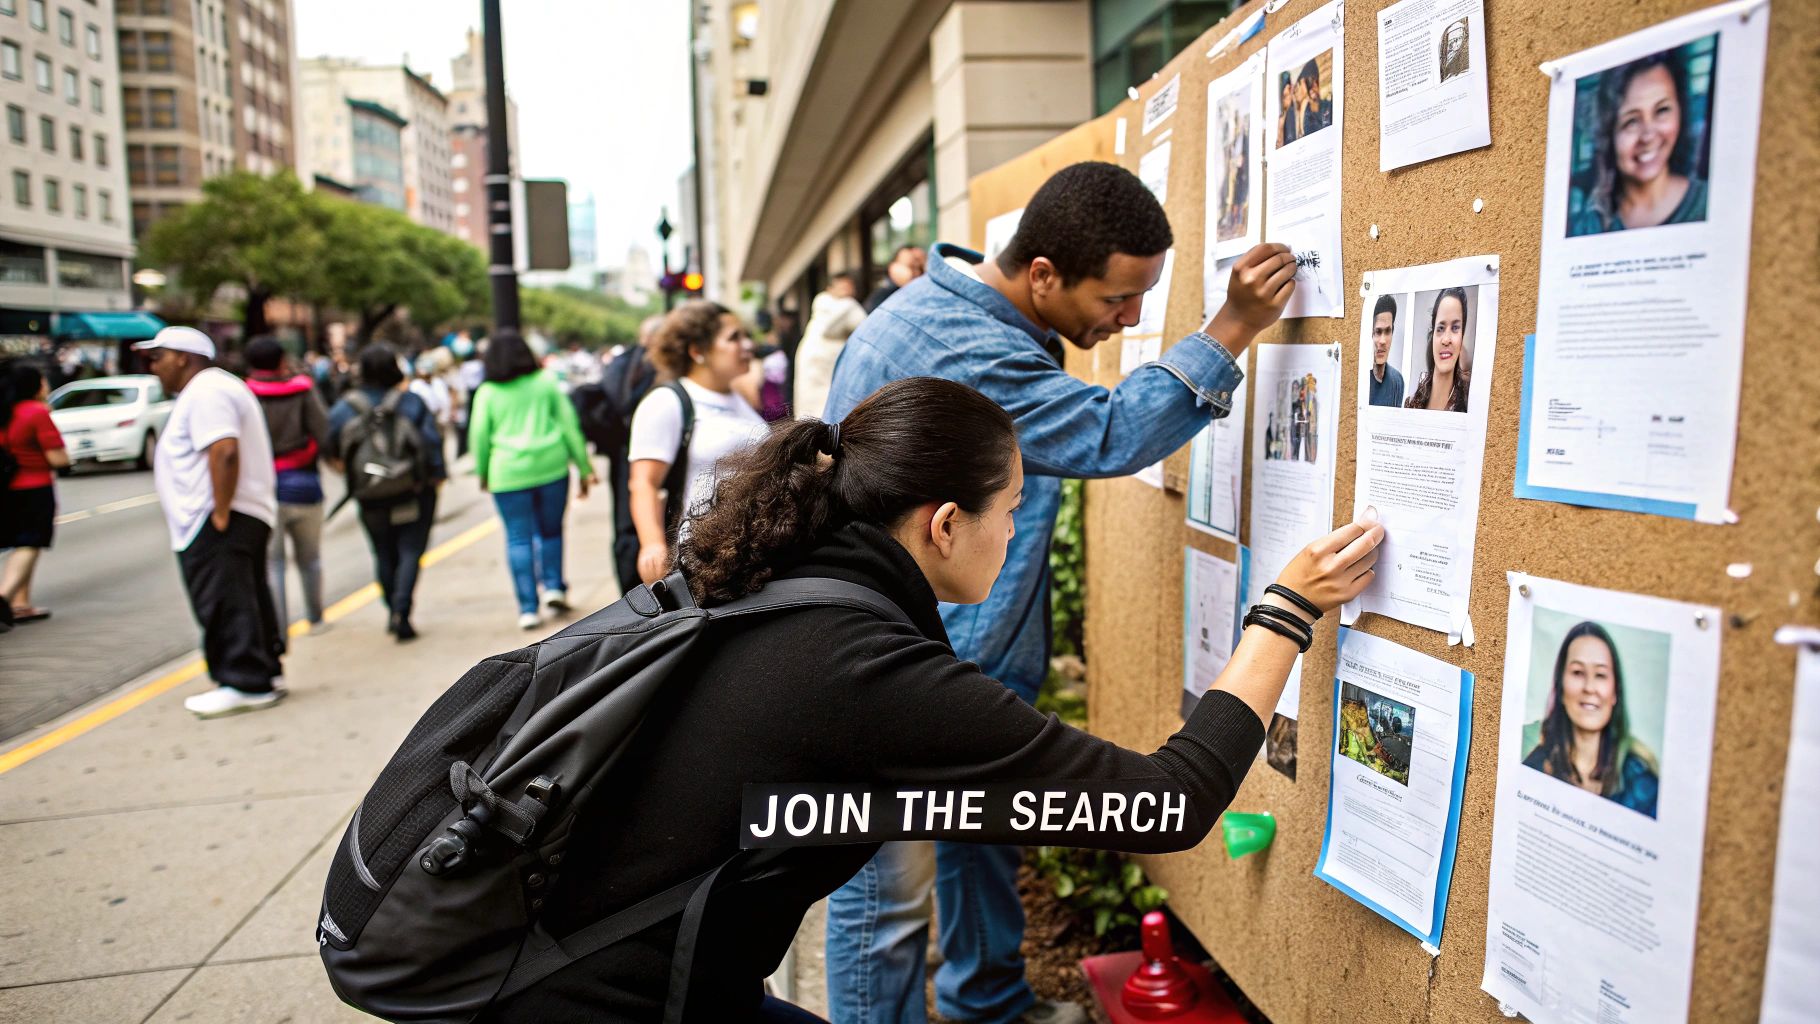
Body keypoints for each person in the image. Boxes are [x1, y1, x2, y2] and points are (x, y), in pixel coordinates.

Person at [485, 376, 1385, 1023]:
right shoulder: (861, 665)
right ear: (944, 523)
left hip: (563, 971)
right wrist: (1287, 609)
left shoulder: (778, 581)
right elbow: (1166, 802)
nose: (1017, 531)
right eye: (1014, 509)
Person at [819, 160, 1297, 1024]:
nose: (1131, 319)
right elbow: (1110, 432)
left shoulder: (936, 310)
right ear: (1042, 274)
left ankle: (987, 1004)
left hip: (951, 652)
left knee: (977, 839)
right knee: (883, 891)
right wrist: (1232, 324)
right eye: (1117, 299)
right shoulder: (968, 349)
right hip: (901, 668)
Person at [137, 327, 285, 718]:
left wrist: (219, 511)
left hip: (220, 516)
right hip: (231, 513)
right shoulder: (212, 388)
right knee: (243, 595)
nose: (154, 367)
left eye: (158, 357)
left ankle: (244, 680)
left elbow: (224, 451)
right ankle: (260, 672)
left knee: (225, 599)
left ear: (182, 357)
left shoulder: (207, 391)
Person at [626, 301, 766, 586]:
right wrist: (652, 546)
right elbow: (644, 484)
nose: (747, 345)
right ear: (697, 351)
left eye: (745, 335)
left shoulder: (741, 395)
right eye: (733, 338)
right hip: (703, 560)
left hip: (756, 549)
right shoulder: (666, 401)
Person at [468, 328, 596, 630]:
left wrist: (484, 472)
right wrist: (584, 466)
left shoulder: (487, 392)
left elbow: (479, 437)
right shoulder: (545, 382)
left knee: (518, 538)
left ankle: (528, 608)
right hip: (552, 467)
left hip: (507, 473)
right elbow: (569, 425)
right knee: (551, 531)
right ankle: (553, 586)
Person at [327, 344, 447, 642]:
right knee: (410, 550)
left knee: (382, 551)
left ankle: (392, 604)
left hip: (370, 494)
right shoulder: (411, 402)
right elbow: (431, 442)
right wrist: (437, 476)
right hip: (414, 489)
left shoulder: (345, 407)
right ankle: (402, 610)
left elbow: (331, 447)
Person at [1523, 621, 1659, 818]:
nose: (1589, 687)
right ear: (1560, 688)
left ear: (1615, 692)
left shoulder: (1643, 784)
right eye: (1578, 672)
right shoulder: (1534, 767)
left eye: (1601, 675)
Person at [244, 337, 333, 636]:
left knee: (274, 566)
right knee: (310, 559)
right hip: (305, 485)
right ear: (282, 360)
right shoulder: (303, 388)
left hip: (264, 491)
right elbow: (324, 430)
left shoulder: (245, 394)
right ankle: (316, 619)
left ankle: (279, 634)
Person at [1570, 49, 1708, 236]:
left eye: (1662, 110)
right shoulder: (1588, 227)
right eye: (1631, 121)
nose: (1648, 136)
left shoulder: (1709, 201)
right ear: (1609, 134)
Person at [0, 362, 69, 625]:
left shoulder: (5, 411)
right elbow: (58, 458)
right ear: (35, 385)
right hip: (35, 486)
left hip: (7, 488)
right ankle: (5, 597)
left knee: (20, 542)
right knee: (31, 543)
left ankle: (21, 604)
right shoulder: (35, 413)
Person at [791, 273, 867, 421]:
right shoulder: (842, 305)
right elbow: (867, 328)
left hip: (822, 363)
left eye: (849, 287)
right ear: (830, 289)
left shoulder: (831, 307)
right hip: (818, 363)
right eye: (842, 287)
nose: (846, 291)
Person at [1404, 288, 1470, 414]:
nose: (1446, 340)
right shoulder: (1410, 404)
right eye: (1440, 328)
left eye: (1455, 328)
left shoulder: (1468, 407)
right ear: (1432, 334)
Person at [1367, 294, 1406, 408]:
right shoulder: (1360, 378)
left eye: (1388, 331)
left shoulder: (1397, 380)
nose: (1383, 341)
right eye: (1378, 332)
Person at [864, 245, 929, 313]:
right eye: (911, 266)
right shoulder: (883, 295)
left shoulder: (923, 293)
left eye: (920, 267)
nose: (917, 273)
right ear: (893, 267)